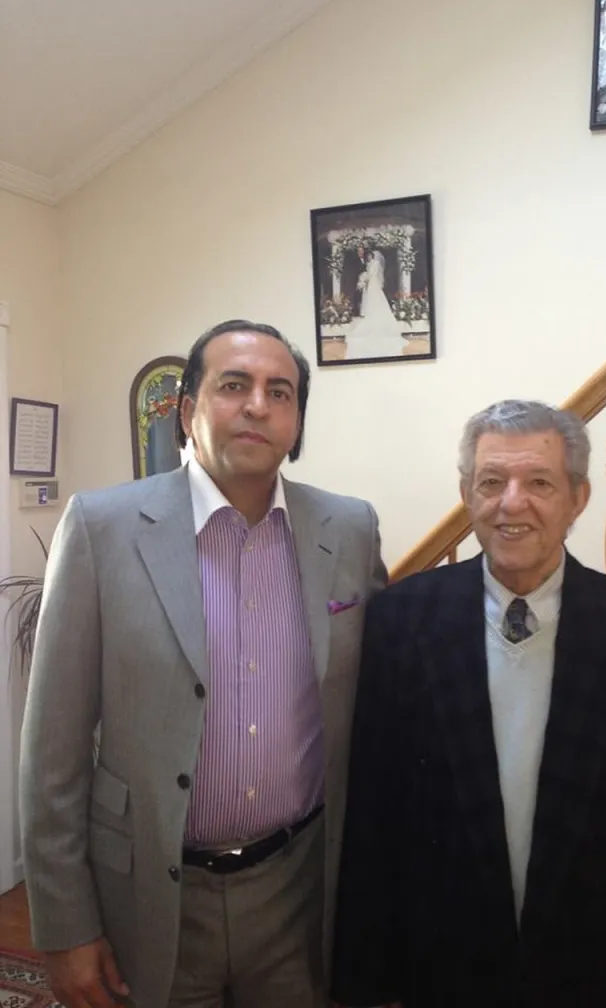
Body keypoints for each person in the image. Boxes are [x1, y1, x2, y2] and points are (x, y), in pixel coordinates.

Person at [20, 319, 387, 1008]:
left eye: (280, 391)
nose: (257, 405)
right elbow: (53, 751)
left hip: (299, 891)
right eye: (234, 385)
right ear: (187, 410)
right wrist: (66, 926)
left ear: (297, 421)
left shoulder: (351, 529)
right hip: (153, 895)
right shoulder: (103, 530)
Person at [332, 399, 606, 1008]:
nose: (511, 503)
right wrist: (366, 986)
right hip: (443, 979)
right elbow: (373, 823)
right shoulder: (400, 622)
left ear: (578, 498)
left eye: (539, 482)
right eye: (492, 482)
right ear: (468, 493)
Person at [345, 250, 405, 361]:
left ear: (373, 256)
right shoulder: (369, 264)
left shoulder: (375, 263)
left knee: (376, 301)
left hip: (374, 284)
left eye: (370, 255)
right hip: (370, 285)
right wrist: (363, 279)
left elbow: (372, 274)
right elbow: (367, 273)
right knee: (370, 302)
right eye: (368, 255)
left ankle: (378, 320)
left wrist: (364, 278)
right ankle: (371, 316)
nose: (368, 257)